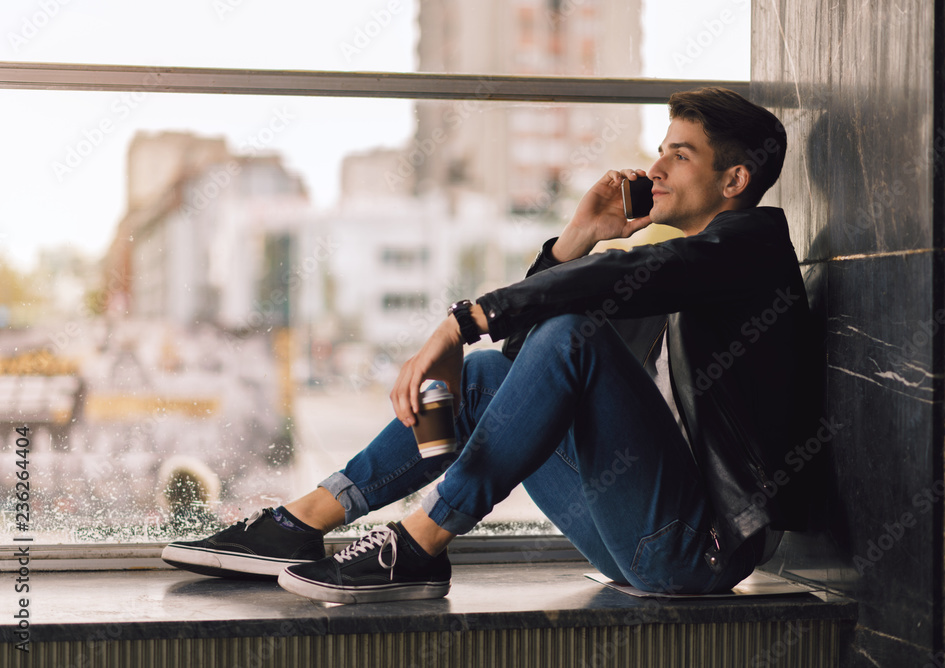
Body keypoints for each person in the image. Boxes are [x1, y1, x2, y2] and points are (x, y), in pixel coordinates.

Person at [161, 87, 817, 605]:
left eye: (681, 153)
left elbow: (583, 319)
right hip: (633, 533)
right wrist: (577, 237)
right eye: (662, 148)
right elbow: (526, 361)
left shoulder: (750, 250)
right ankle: (301, 523)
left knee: (564, 334)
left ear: (734, 180)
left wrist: (460, 320)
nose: (655, 167)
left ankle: (419, 542)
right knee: (480, 377)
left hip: (694, 552)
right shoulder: (686, 263)